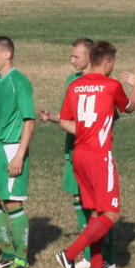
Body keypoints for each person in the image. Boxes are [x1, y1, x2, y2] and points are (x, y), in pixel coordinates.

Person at [54, 42, 135, 268]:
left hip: (79, 155)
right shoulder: (111, 85)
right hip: (99, 155)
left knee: (95, 212)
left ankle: (97, 267)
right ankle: (70, 254)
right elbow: (129, 107)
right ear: (106, 63)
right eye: (113, 63)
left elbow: (65, 120)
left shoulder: (74, 86)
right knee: (112, 214)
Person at [0, 36, 36, 268]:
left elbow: (29, 121)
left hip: (11, 148)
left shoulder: (19, 82)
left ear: (7, 54)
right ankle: (8, 253)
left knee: (12, 203)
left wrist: (19, 155)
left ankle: (21, 260)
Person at [37, 38, 95, 247]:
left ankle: (104, 257)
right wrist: (51, 116)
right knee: (79, 199)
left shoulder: (103, 82)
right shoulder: (72, 81)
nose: (71, 60)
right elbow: (68, 114)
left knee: (97, 205)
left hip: (95, 152)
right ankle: (88, 251)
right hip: (74, 149)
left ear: (90, 58)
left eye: (76, 56)